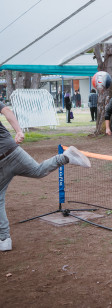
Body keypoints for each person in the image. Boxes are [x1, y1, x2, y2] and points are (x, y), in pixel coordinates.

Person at [0, 102, 90, 251]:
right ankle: (65, 157)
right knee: (38, 171)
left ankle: (4, 239)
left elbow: (6, 111)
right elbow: (6, 111)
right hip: (12, 150)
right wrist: (19, 131)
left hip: (5, 157)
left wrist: (18, 131)